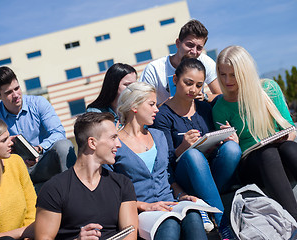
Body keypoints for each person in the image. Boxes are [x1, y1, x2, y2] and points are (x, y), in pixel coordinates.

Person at [151, 58, 242, 239]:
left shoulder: (204, 108)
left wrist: (228, 138)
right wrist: (183, 147)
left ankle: (203, 201)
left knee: (232, 148)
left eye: (199, 85)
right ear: (175, 80)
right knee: (192, 154)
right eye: (188, 83)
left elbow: (217, 144)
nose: (193, 89)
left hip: (211, 172)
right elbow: (164, 161)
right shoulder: (162, 116)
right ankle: (223, 222)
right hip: (183, 176)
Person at [105, 82, 208, 240]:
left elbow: (168, 175)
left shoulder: (158, 135)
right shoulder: (115, 144)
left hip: (170, 204)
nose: (157, 109)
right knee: (169, 225)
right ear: (134, 106)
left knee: (193, 215)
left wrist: (181, 195)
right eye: (151, 104)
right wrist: (145, 206)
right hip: (141, 211)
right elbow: (111, 191)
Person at [213, 45, 297, 221]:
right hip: (250, 165)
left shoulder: (269, 89)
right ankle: (294, 220)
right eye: (222, 74)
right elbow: (227, 152)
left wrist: (284, 137)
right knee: (268, 153)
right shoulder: (221, 107)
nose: (227, 80)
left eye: (233, 74)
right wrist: (231, 142)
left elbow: (290, 128)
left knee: (289, 147)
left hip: (281, 155)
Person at [35, 112, 138, 240]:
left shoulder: (123, 184)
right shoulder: (54, 189)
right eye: (113, 137)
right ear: (92, 143)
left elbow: (130, 235)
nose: (119, 144)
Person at [0, 66, 77, 192]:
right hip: (15, 168)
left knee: (64, 145)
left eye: (17, 88)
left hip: (43, 162)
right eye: (8, 93)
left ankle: (75, 191)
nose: (16, 95)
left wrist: (39, 149)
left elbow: (58, 133)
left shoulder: (39, 103)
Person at [0, 115, 36, 240]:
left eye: (8, 137)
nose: (11, 142)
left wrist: (26, 235)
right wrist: (21, 233)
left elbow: (32, 207)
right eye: (4, 140)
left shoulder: (16, 162)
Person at [139, 19, 222, 105]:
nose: (194, 51)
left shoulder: (205, 62)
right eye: (190, 45)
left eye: (199, 48)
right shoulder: (154, 69)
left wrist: (205, 96)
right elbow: (142, 105)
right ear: (178, 43)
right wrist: (168, 105)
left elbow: (222, 97)